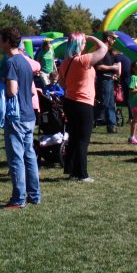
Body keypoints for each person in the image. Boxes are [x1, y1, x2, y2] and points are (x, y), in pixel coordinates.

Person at [58, 33, 110, 183]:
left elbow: (62, 83)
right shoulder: (83, 60)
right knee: (83, 140)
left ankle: (72, 171)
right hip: (83, 103)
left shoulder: (65, 62)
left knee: (73, 138)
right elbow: (103, 48)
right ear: (79, 44)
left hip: (70, 101)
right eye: (83, 43)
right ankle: (82, 174)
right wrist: (91, 37)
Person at [0, 26, 40, 209]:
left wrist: (4, 87)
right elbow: (31, 91)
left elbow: (12, 90)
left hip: (16, 117)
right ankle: (34, 194)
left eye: (0, 39)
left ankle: (18, 198)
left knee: (16, 158)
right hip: (29, 114)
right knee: (29, 155)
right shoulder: (25, 61)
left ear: (7, 41)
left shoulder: (11, 62)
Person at [94, 32, 122, 132]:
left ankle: (112, 126)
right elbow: (99, 66)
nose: (114, 40)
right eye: (113, 38)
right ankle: (90, 120)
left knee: (111, 104)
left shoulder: (110, 52)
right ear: (108, 38)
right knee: (103, 103)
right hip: (103, 80)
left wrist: (114, 73)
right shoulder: (101, 51)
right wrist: (113, 67)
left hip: (110, 79)